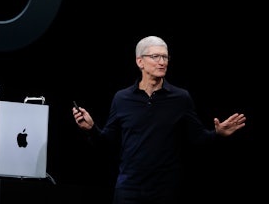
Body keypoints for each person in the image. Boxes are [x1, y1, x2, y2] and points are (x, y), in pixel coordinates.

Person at [72, 35, 246, 204]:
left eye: (165, 57)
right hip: (129, 189)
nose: (162, 62)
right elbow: (108, 143)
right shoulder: (122, 98)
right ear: (140, 61)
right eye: (155, 56)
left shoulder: (181, 98)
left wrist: (217, 133)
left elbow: (198, 139)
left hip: (166, 190)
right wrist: (91, 128)